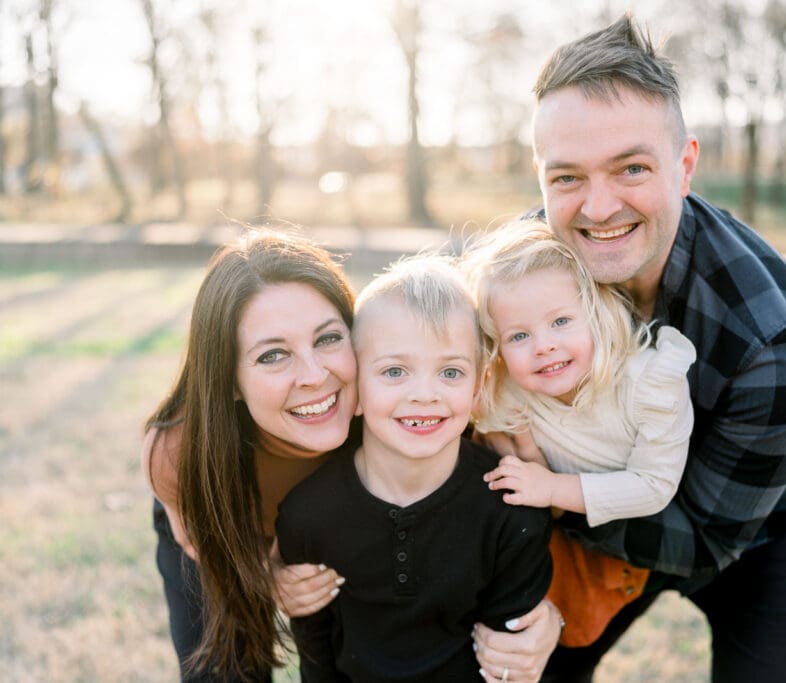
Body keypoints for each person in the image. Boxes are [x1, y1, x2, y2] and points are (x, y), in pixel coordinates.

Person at [476, 14, 786, 683]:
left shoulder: (775, 334)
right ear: (540, 178)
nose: (597, 207)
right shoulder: (516, 276)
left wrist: (554, 492)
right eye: (565, 178)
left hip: (765, 521)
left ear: (685, 164)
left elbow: (704, 538)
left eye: (631, 168)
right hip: (592, 487)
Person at [141, 232, 562, 682]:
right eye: (273, 355)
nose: (316, 376)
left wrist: (550, 617)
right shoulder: (183, 455)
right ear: (228, 380)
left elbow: (522, 530)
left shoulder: (414, 409)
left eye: (327, 339)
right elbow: (222, 566)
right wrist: (266, 575)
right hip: (232, 537)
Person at [276, 254, 553, 682]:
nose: (425, 394)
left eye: (450, 371)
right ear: (355, 387)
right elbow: (316, 657)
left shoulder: (511, 511)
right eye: (394, 371)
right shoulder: (307, 515)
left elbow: (509, 661)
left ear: (479, 387)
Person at [463, 220, 696, 647]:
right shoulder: (505, 388)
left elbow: (654, 485)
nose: (543, 345)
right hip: (544, 536)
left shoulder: (648, 383)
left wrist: (551, 487)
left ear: (595, 311)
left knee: (575, 640)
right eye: (519, 335)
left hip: (623, 545)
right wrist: (527, 460)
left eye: (561, 321)